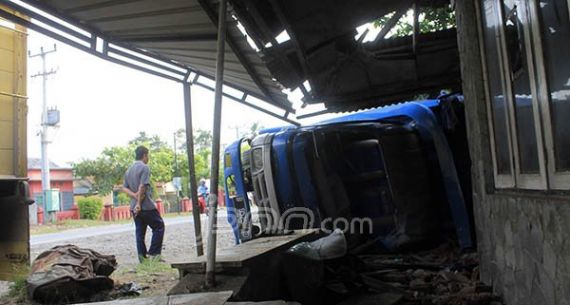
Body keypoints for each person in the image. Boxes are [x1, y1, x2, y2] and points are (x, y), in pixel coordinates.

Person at [122, 146, 165, 262]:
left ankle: (142, 258)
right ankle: (154, 254)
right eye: (148, 156)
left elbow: (124, 188)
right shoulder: (144, 168)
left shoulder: (129, 170)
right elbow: (143, 186)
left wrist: (134, 196)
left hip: (134, 207)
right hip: (145, 206)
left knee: (140, 232)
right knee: (159, 226)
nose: (148, 158)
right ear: (145, 155)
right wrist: (139, 203)